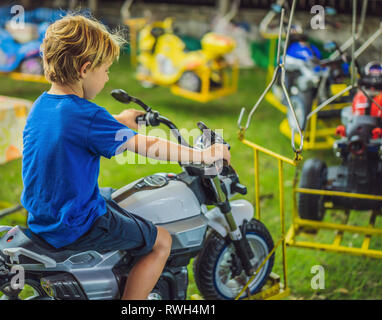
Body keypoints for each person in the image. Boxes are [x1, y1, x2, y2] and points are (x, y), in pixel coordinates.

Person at [20, 14, 231, 300]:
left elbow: (71, 131)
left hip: (45, 214)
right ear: (85, 69)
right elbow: (148, 145)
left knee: (120, 198)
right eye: (105, 70)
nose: (107, 77)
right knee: (161, 242)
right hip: (75, 223)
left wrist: (118, 120)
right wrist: (203, 154)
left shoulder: (43, 105)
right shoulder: (88, 116)